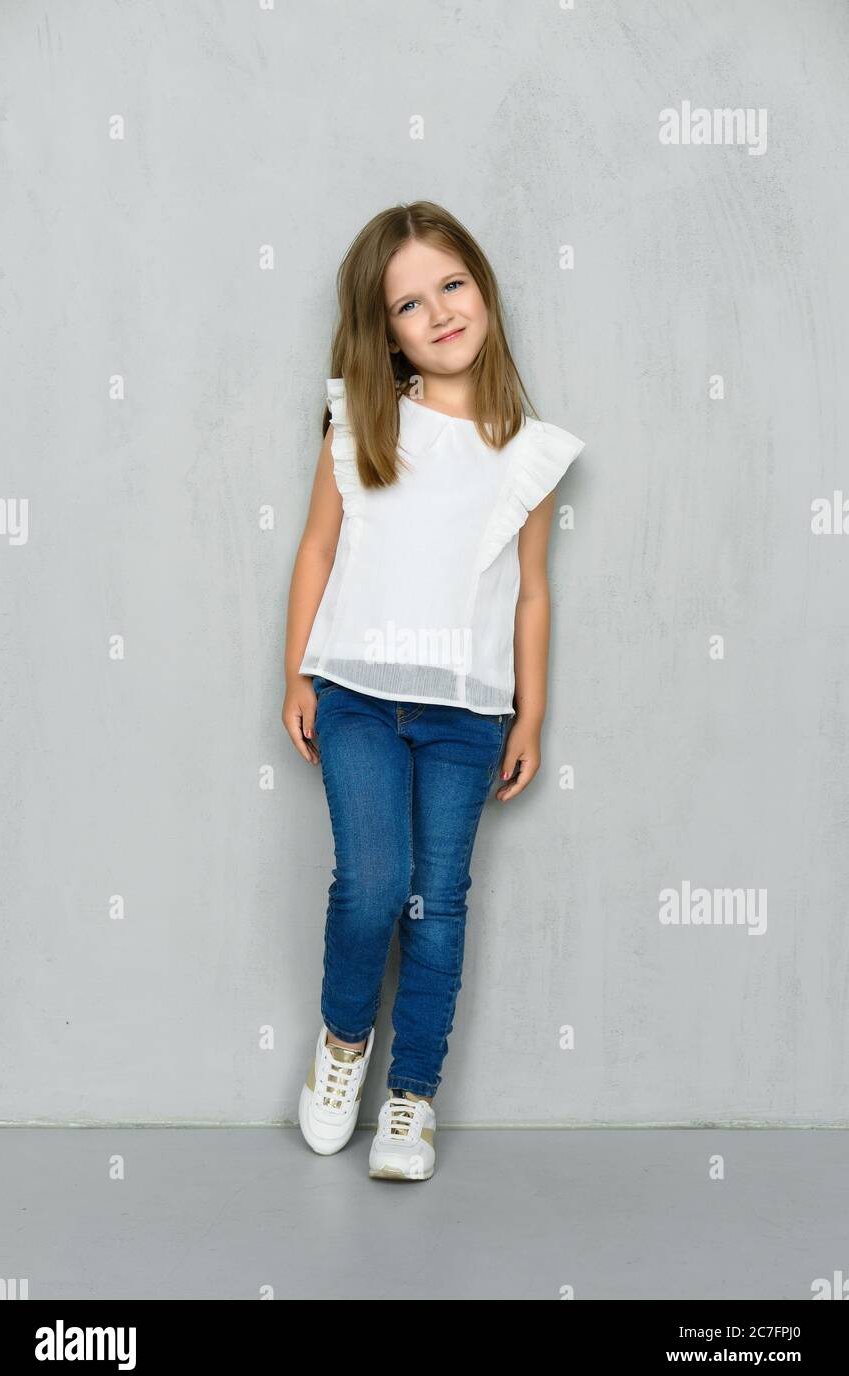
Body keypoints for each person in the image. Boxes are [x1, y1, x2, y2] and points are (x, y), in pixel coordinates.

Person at [282, 200, 585, 1181]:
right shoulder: (362, 419)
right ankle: (340, 1048)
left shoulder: (524, 450)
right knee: (371, 887)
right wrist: (297, 670)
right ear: (387, 330)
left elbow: (530, 592)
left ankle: (412, 1096)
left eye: (451, 285)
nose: (440, 312)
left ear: (482, 288)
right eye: (411, 303)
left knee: (435, 903)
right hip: (358, 695)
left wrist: (529, 709)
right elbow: (319, 547)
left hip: (465, 711)